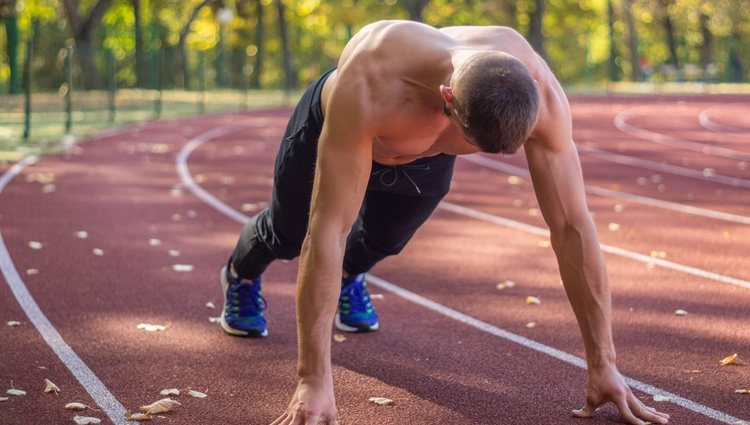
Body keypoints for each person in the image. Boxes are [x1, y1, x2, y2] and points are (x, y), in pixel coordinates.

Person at [219, 20, 670, 425]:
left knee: (384, 240)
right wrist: (312, 381)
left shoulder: (540, 92)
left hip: (426, 159)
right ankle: (240, 276)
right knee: (290, 234)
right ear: (447, 100)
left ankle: (349, 278)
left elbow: (572, 226)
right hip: (340, 129)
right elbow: (329, 230)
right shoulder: (374, 74)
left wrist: (604, 362)